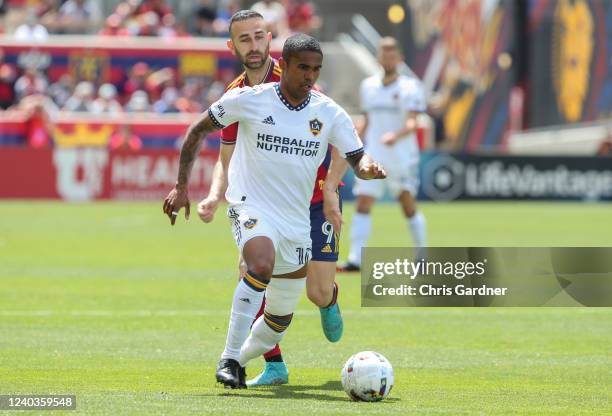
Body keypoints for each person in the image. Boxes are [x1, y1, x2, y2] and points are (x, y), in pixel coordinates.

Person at [163, 32, 386, 389]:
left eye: (316, 69)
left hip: (296, 222)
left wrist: (369, 169)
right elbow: (196, 131)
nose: (310, 76)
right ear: (284, 66)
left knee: (278, 319)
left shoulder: (328, 112)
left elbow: (357, 157)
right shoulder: (248, 99)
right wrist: (183, 185)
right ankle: (228, 358)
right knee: (259, 263)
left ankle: (241, 360)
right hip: (251, 206)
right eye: (302, 68)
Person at [194, 10, 346, 387]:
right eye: (244, 39)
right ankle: (272, 363)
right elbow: (226, 154)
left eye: (259, 37)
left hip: (311, 203)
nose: (254, 46)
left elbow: (343, 135)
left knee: (316, 290)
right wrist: (215, 195)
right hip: (262, 203)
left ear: (269, 38)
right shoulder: (237, 96)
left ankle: (329, 299)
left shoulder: (297, 76)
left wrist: (330, 191)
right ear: (234, 47)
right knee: (252, 269)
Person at [339, 37, 428, 272]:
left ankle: (421, 254)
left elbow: (412, 123)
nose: (388, 58)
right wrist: (351, 142)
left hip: (401, 156)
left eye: (392, 54)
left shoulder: (410, 87)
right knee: (363, 203)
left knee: (407, 204)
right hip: (373, 155)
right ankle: (355, 259)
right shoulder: (368, 86)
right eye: (384, 54)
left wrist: (395, 136)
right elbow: (366, 121)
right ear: (379, 57)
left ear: (400, 58)